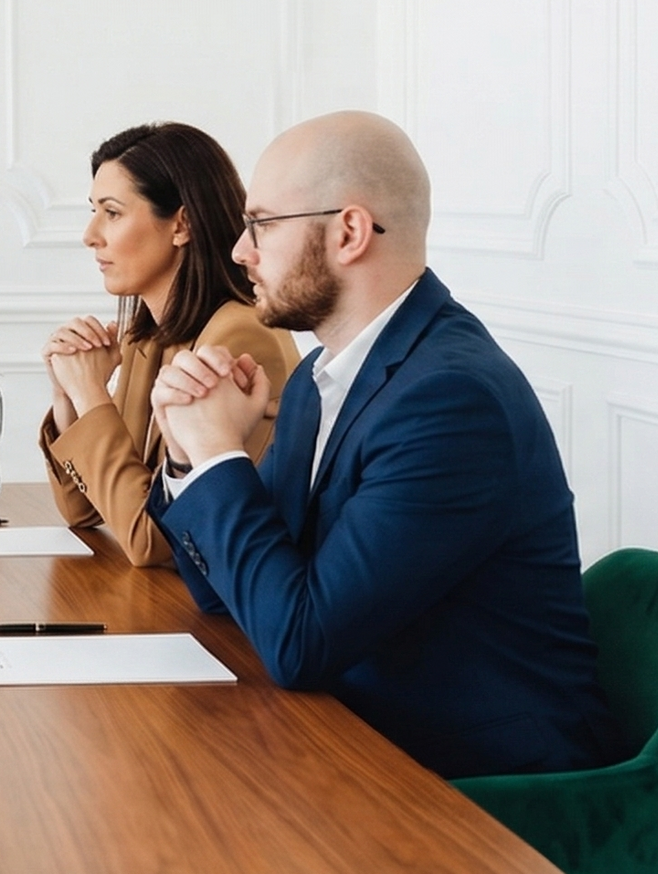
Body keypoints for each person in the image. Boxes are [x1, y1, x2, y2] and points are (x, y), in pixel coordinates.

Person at [147, 110, 621, 779]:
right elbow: (228, 598)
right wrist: (186, 454)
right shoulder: (319, 378)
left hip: (486, 789)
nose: (238, 251)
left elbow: (299, 642)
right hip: (351, 735)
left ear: (349, 231)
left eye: (260, 225)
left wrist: (222, 454)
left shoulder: (453, 400)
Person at [38, 123, 298, 566]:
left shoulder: (240, 339)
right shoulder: (149, 337)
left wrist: (91, 395)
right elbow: (85, 510)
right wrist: (69, 400)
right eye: (93, 210)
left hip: (220, 618)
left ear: (182, 224)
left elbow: (154, 541)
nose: (90, 234)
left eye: (112, 213)